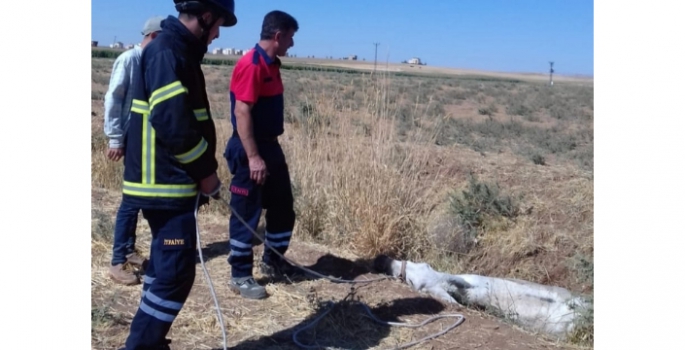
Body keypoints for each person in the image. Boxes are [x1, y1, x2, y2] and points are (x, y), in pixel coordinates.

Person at [118, 1, 237, 349]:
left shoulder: (174, 50)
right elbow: (172, 122)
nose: (217, 35)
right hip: (165, 186)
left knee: (163, 270)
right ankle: (141, 345)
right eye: (218, 25)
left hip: (167, 183)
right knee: (174, 275)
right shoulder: (167, 51)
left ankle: (148, 341)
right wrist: (206, 173)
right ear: (206, 16)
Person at [224, 10, 301, 300]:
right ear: (278, 35)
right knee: (246, 212)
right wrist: (254, 157)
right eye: (291, 37)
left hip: (271, 146)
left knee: (283, 206)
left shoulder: (272, 65)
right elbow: (241, 110)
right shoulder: (252, 64)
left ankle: (273, 261)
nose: (292, 44)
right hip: (250, 148)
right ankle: (240, 274)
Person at [104, 16, 164, 286]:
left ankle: (128, 250)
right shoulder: (130, 59)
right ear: (154, 36)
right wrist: (115, 138)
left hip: (141, 140)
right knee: (130, 201)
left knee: (137, 199)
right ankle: (118, 261)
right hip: (130, 136)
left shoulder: (150, 60)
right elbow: (114, 98)